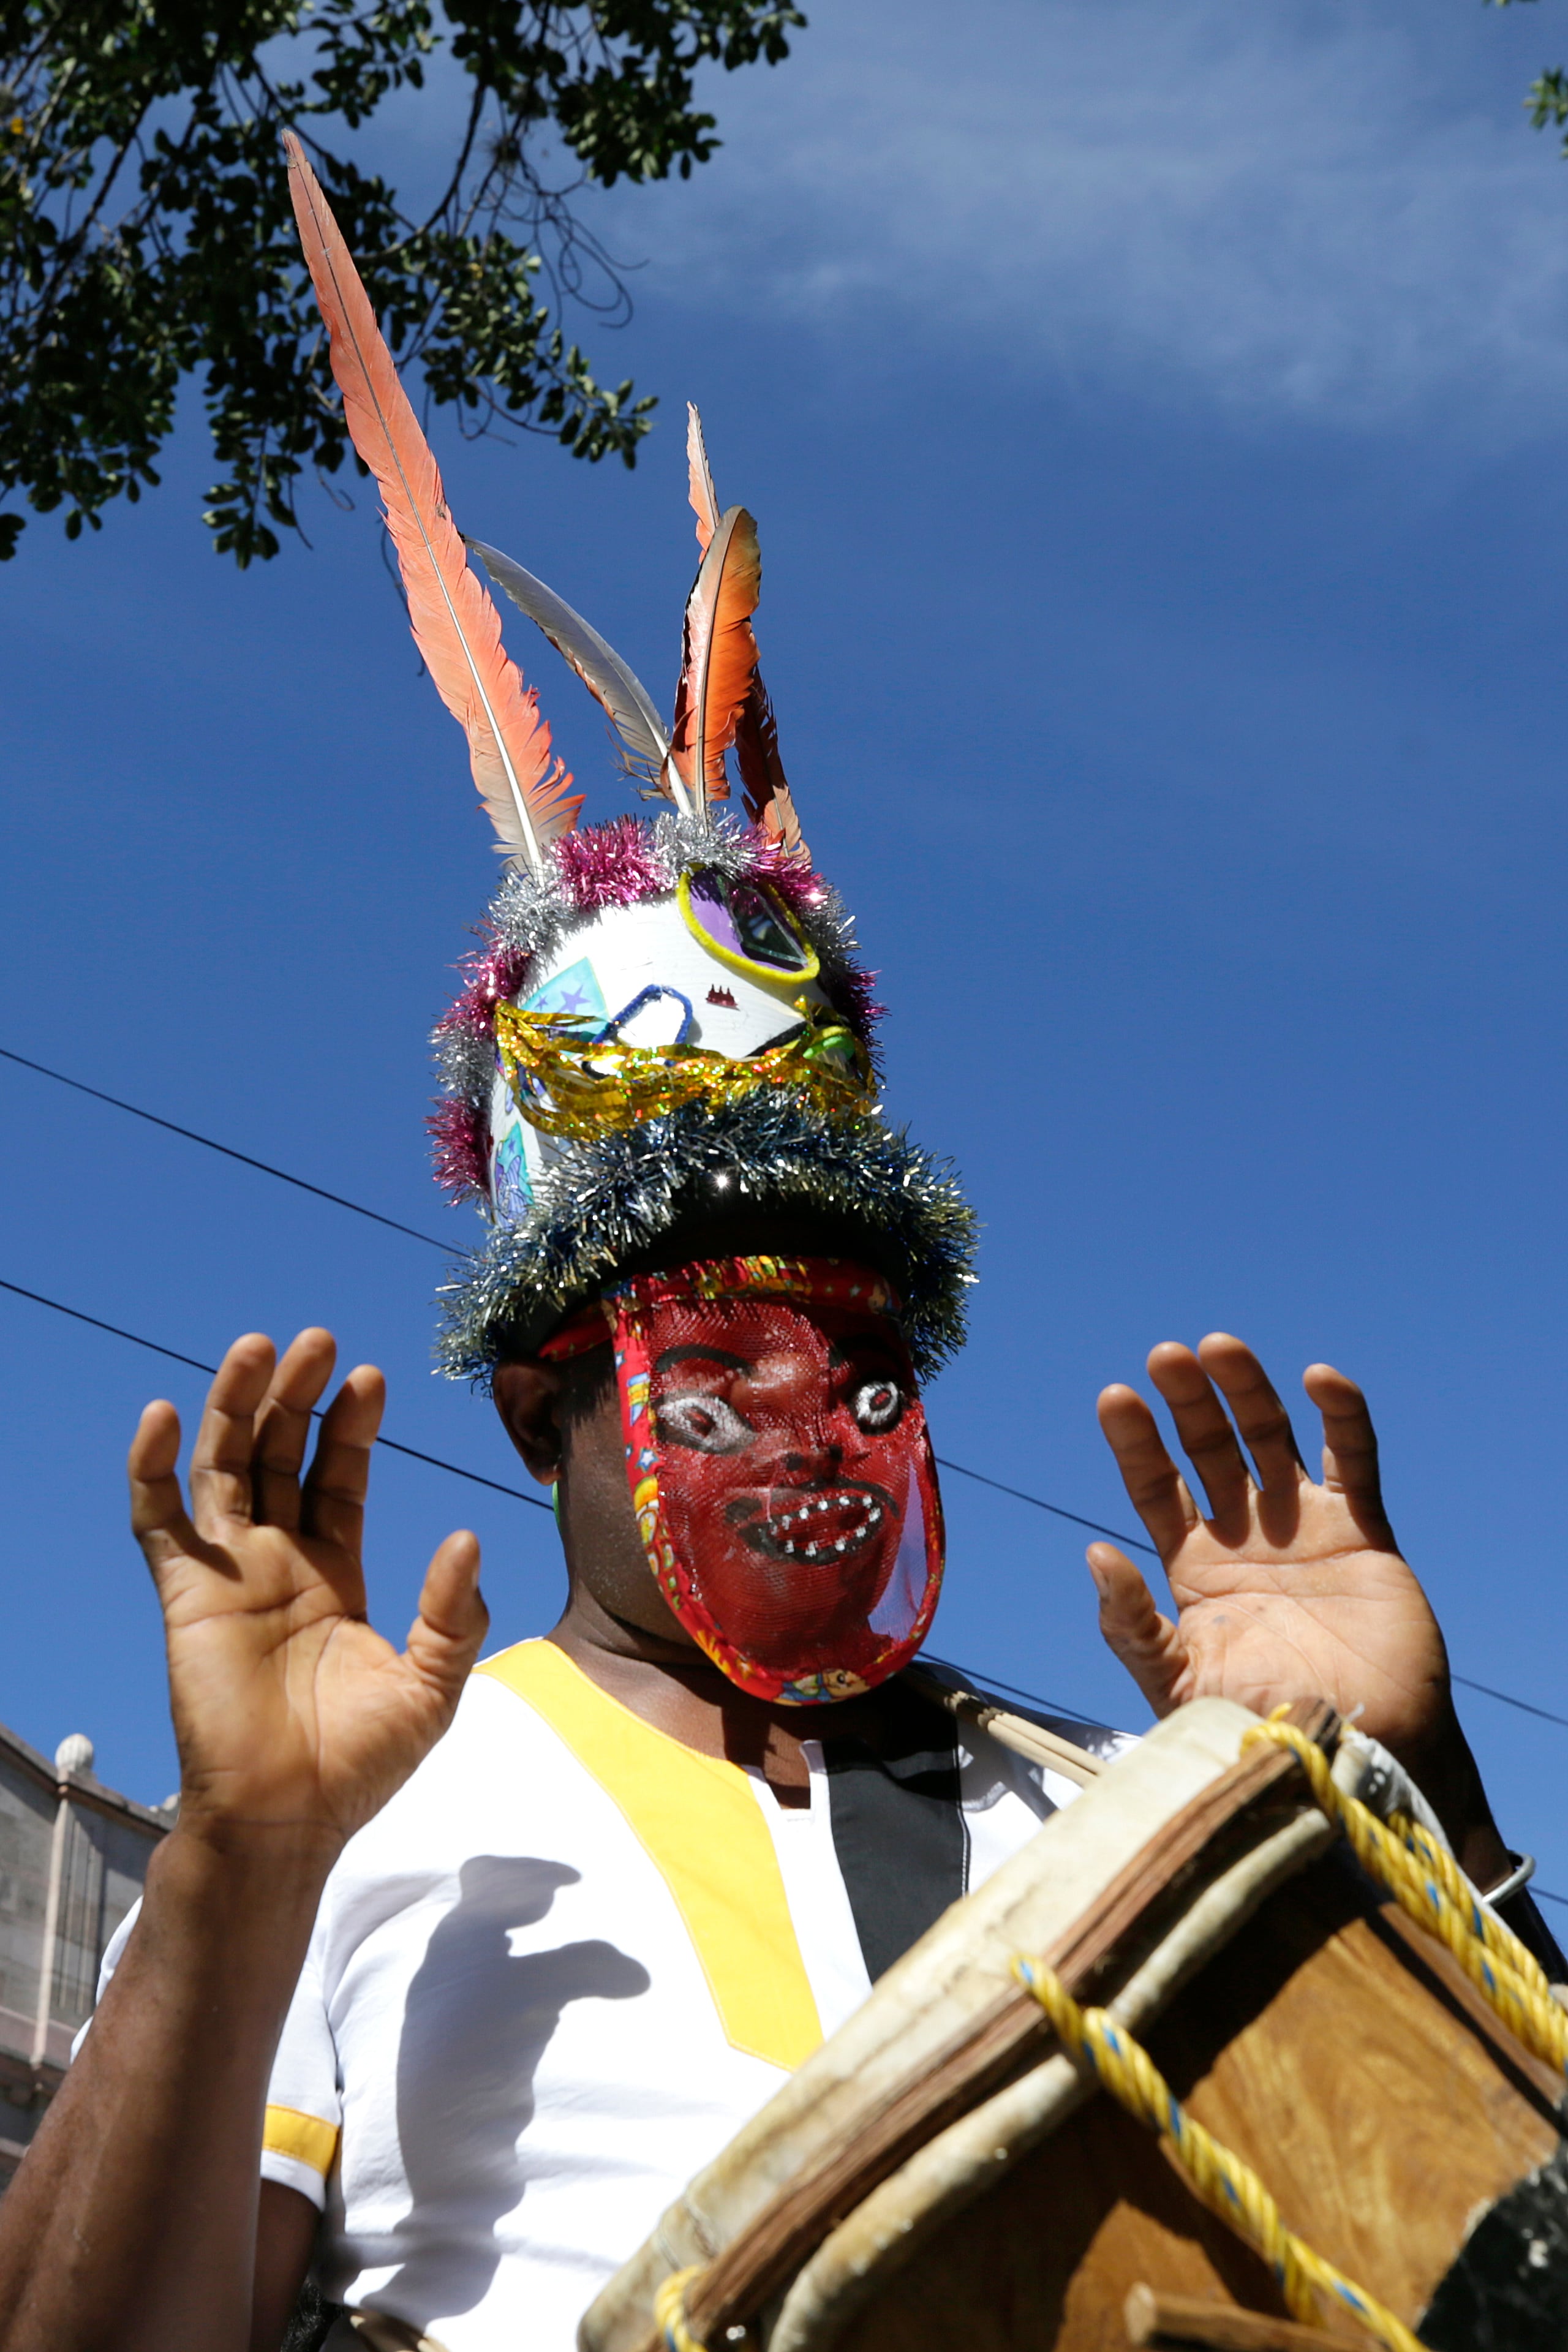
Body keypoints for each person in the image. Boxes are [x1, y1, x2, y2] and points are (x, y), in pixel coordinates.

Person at [0, 153, 1555, 2352]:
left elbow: (1489, 2260)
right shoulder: (353, 1811)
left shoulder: (1089, 1807)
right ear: (547, 1403)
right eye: (716, 1374)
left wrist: (1409, 1808)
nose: (809, 1435)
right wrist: (237, 1875)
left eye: (860, 1369)